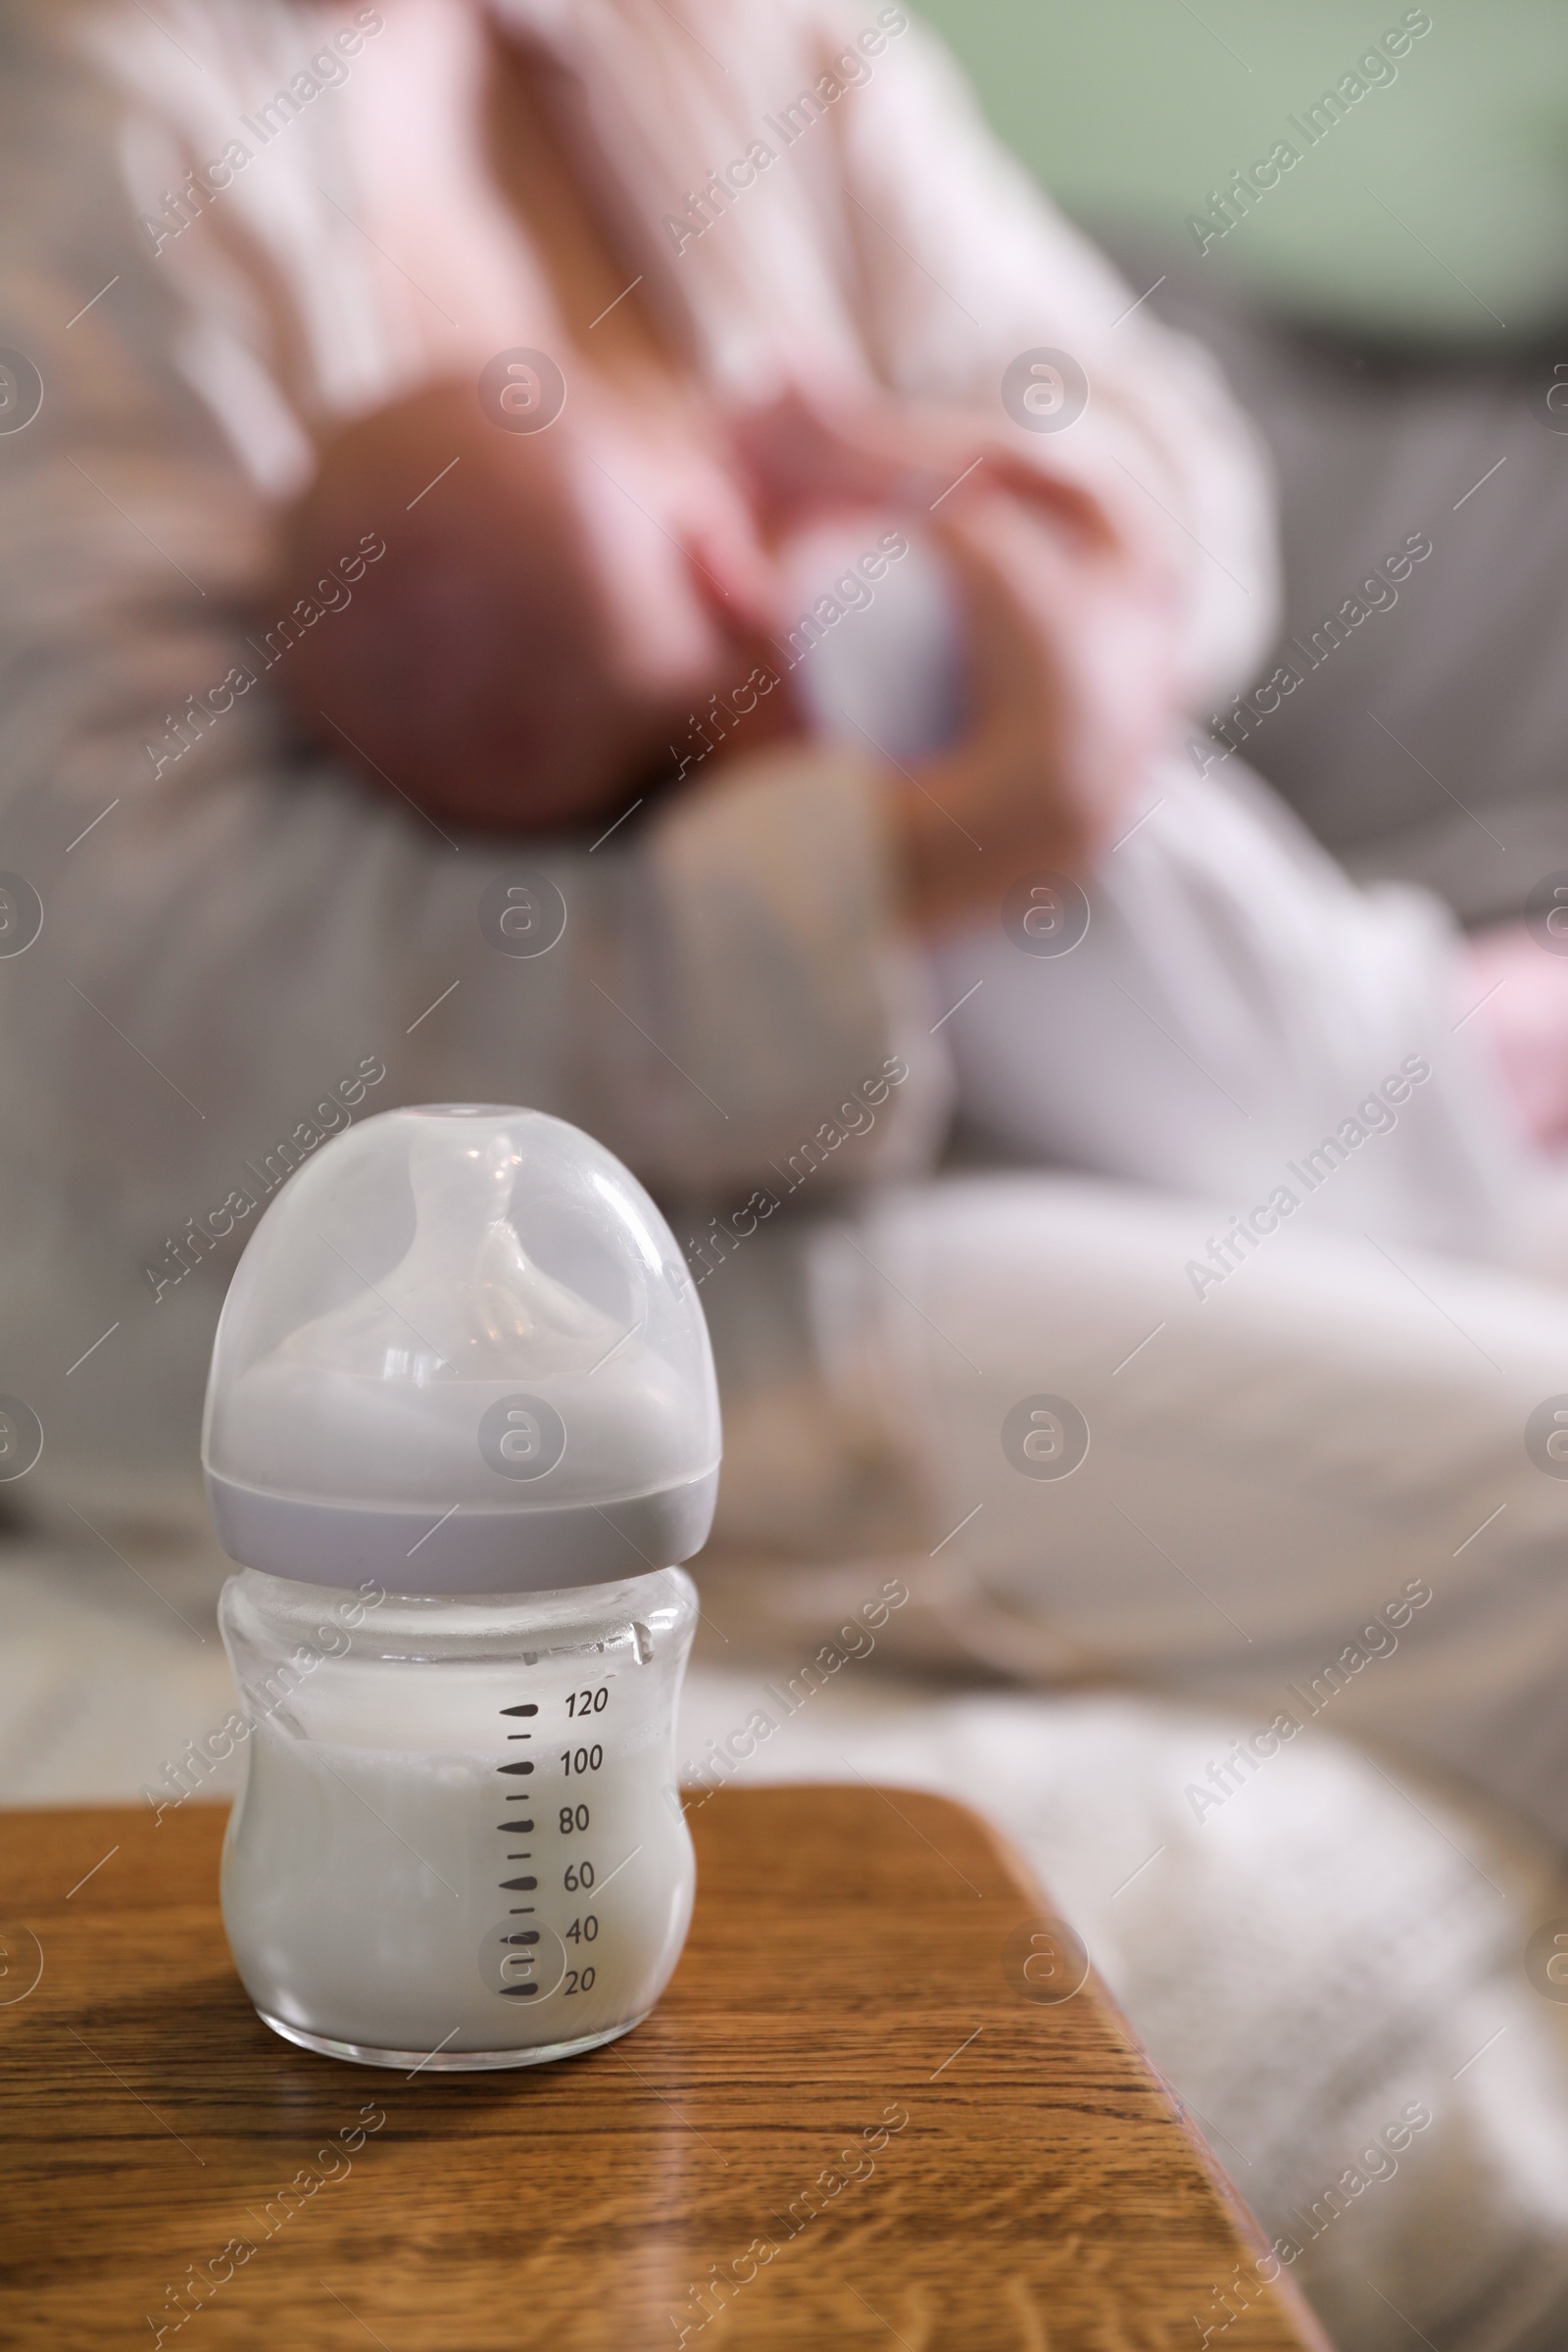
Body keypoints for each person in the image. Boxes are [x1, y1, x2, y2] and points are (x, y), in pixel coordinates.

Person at [5, 0, 1568, 1851]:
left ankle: (1428, 1108)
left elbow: (1173, 470)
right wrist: (954, 830)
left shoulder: (725, 32)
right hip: (465, 1281)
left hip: (959, 1095)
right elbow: (169, 1020)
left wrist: (966, 537)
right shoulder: (88, 149)